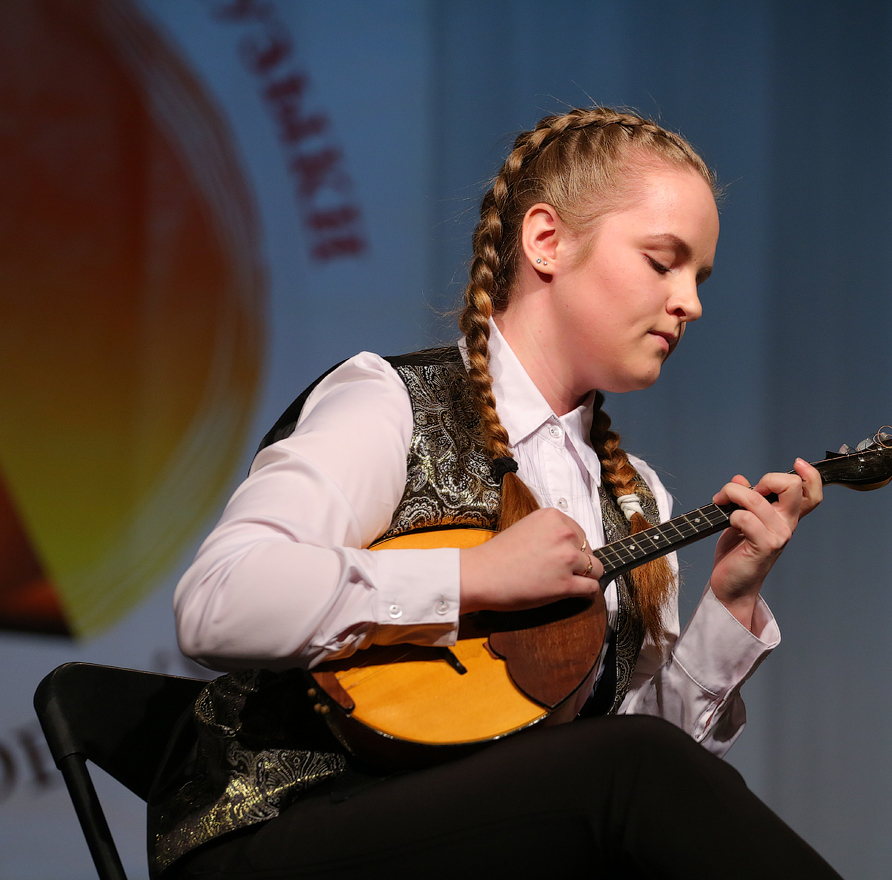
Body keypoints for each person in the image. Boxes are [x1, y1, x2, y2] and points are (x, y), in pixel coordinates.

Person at [150, 107, 841, 879]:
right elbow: (217, 601)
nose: (691, 303)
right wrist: (471, 577)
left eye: (699, 277)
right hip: (288, 831)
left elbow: (634, 785)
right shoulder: (394, 403)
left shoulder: (633, 496)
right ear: (546, 240)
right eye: (661, 262)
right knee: (634, 767)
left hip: (477, 844)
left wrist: (731, 603)